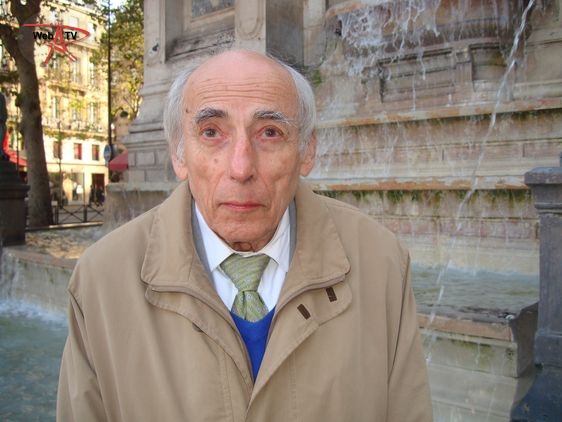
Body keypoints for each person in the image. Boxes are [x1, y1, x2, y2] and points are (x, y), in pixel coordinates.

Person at [57, 49, 432, 421]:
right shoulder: (100, 282)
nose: (241, 167)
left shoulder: (382, 264)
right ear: (179, 153)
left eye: (269, 132)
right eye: (211, 132)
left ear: (307, 150)